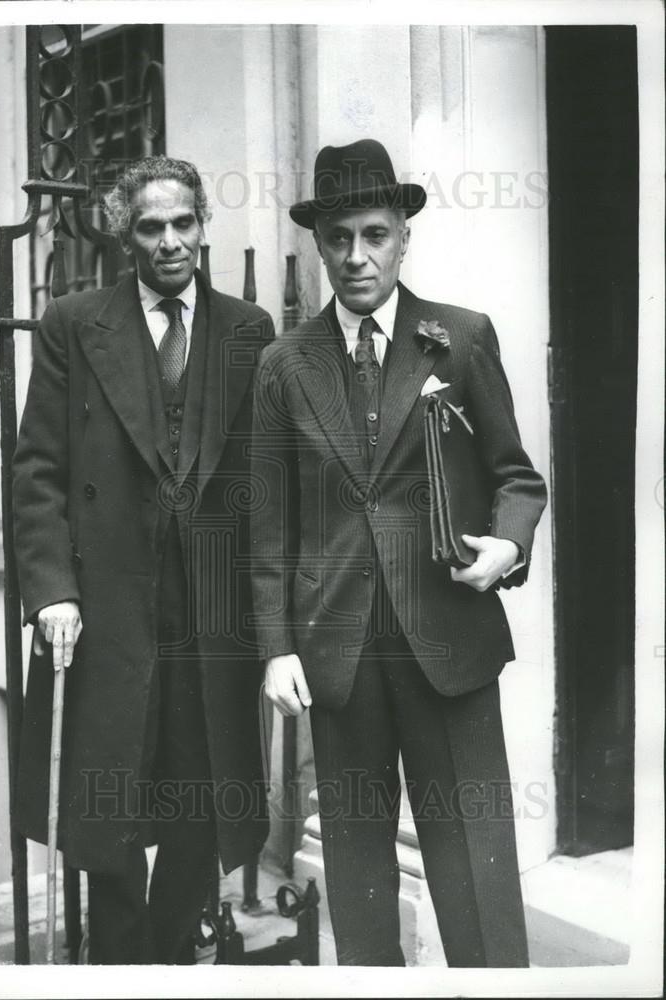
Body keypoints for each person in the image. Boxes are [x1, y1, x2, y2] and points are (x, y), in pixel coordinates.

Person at [250, 138, 547, 967]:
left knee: (476, 871)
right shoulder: (284, 366)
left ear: (403, 237)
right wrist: (275, 648)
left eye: (374, 234)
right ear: (319, 243)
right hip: (339, 654)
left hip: (448, 641)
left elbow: (517, 478)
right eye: (339, 237)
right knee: (359, 880)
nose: (357, 257)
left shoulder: (458, 336)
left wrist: (506, 547)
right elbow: (268, 525)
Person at [12, 155, 273, 964]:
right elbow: (39, 469)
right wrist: (51, 589)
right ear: (128, 236)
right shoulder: (74, 324)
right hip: (106, 600)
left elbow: (264, 477)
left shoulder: (248, 330)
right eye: (151, 227)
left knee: (204, 783)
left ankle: (172, 953)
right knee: (106, 791)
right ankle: (119, 961)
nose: (169, 243)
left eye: (183, 224)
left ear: (204, 227)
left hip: (208, 600)